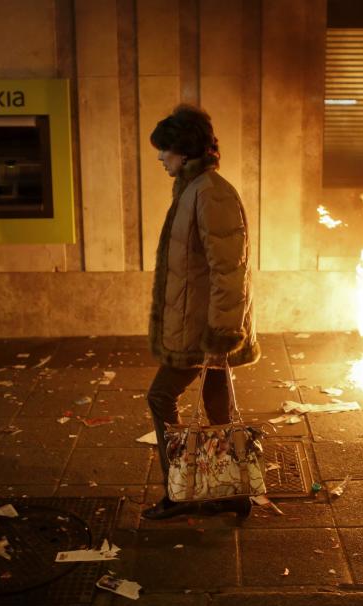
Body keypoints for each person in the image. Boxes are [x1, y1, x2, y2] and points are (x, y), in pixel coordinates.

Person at [142, 104, 260, 520]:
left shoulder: (210, 193)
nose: (160, 157)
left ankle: (180, 492)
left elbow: (229, 271)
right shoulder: (197, 189)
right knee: (217, 406)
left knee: (160, 396)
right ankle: (233, 489)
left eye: (165, 150)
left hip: (203, 330)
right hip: (199, 323)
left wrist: (219, 340)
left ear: (185, 152)